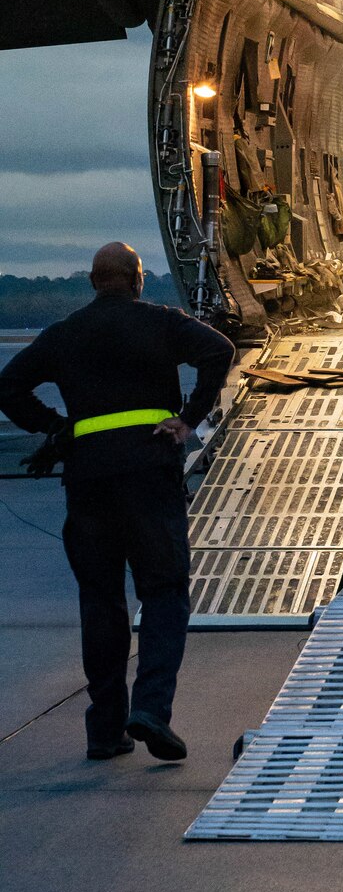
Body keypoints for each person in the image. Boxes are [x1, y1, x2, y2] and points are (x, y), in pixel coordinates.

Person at [0, 242, 234, 763]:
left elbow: (8, 386)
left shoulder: (64, 333)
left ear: (91, 281)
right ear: (138, 279)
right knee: (165, 591)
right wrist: (189, 418)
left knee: (101, 600)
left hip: (88, 481)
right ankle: (151, 709)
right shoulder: (160, 321)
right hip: (149, 475)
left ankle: (105, 731)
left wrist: (57, 428)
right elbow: (219, 350)